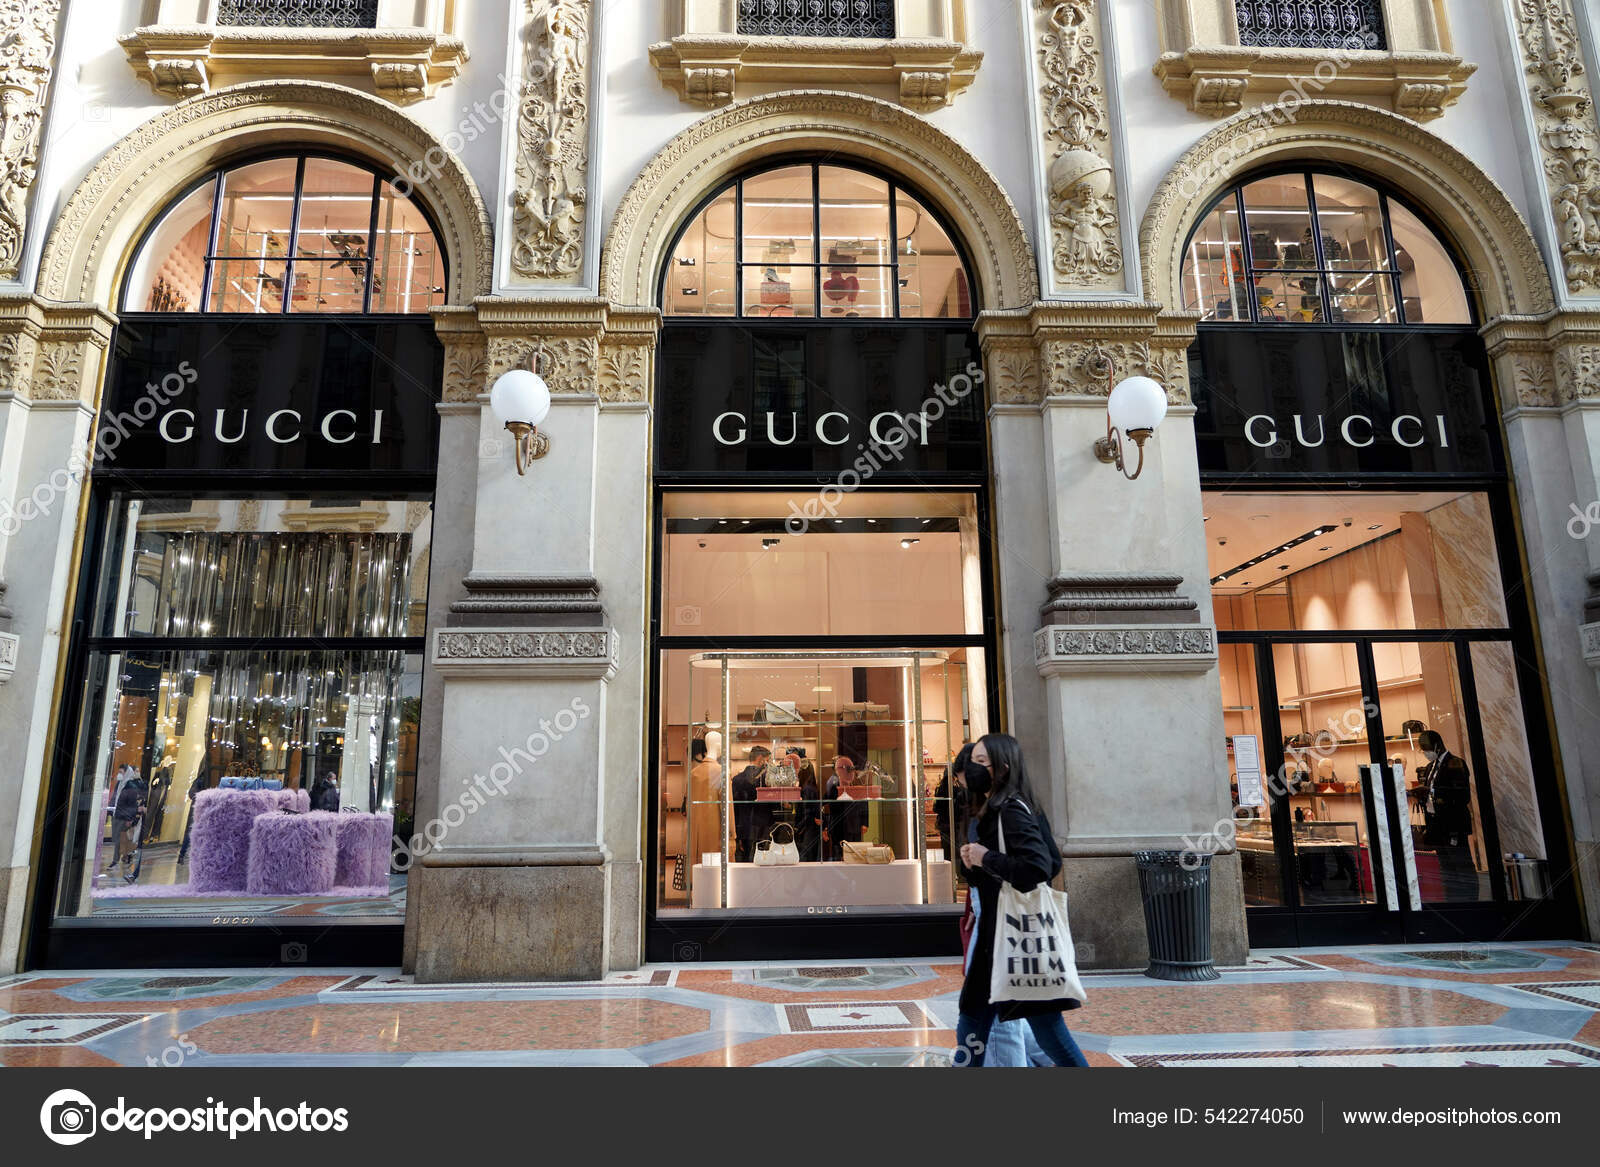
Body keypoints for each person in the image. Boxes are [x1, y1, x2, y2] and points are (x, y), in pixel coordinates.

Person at [954, 733, 1088, 1067]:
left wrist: (986, 858)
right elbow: (1052, 859)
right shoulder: (1005, 806)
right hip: (999, 940)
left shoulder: (1009, 809)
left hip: (1013, 938)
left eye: (981, 762)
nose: (973, 768)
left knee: (1044, 1029)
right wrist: (975, 863)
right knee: (976, 1022)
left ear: (1003, 767)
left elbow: (1040, 867)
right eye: (973, 761)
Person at [1418, 729, 1476, 900]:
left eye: (1426, 748)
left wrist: (1433, 790)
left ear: (1437, 745)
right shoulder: (1430, 767)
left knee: (1461, 864)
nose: (1425, 753)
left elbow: (1462, 795)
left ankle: (1470, 901)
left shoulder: (1456, 763)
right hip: (1437, 825)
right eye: (1422, 749)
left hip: (1453, 824)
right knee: (1446, 867)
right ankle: (1452, 900)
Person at [730, 746, 771, 863]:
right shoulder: (766, 780)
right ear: (760, 758)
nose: (767, 764)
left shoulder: (737, 779)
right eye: (767, 760)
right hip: (763, 826)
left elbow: (735, 807)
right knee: (763, 861)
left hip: (742, 826)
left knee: (744, 862)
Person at [108, 766, 149, 880]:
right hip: (118, 813)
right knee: (121, 838)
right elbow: (116, 797)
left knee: (123, 839)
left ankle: (120, 859)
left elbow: (132, 803)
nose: (119, 774)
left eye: (121, 772)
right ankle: (125, 857)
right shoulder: (122, 783)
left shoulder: (134, 784)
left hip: (126, 816)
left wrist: (131, 817)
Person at [688, 738, 725, 864]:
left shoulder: (694, 773)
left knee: (699, 865)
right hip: (716, 831)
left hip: (696, 829)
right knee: (715, 869)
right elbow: (727, 808)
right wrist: (731, 835)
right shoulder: (722, 771)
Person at [824, 755, 865, 861]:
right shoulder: (832, 783)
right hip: (840, 825)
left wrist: (864, 822)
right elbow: (829, 802)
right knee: (839, 854)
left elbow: (863, 803)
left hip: (853, 825)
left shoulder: (855, 782)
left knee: (854, 854)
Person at [788, 748, 822, 862]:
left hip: (807, 830)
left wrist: (798, 827)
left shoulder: (807, 789)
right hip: (810, 829)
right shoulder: (811, 787)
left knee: (805, 858)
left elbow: (807, 812)